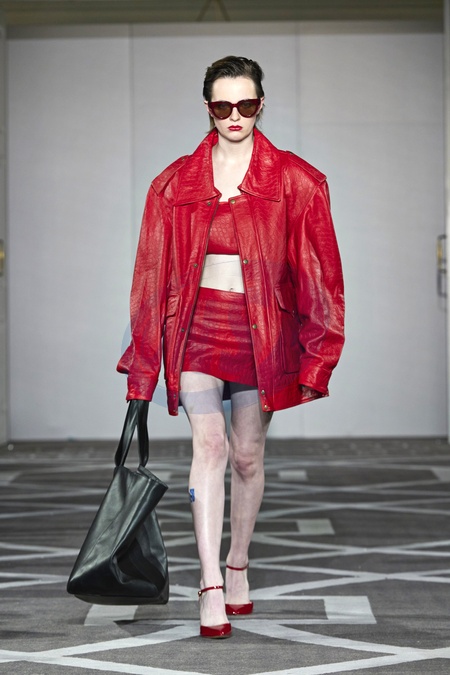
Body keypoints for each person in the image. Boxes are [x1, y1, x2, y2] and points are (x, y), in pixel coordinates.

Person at [118, 55, 345, 639]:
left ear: (261, 104)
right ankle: (210, 584)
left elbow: (321, 276)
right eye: (223, 105)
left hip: (262, 332)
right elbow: (149, 279)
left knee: (247, 455)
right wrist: (143, 369)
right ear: (208, 109)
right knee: (210, 444)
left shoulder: (296, 180)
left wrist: (319, 356)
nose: (235, 115)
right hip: (196, 329)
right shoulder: (173, 184)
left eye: (246, 104)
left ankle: (238, 563)